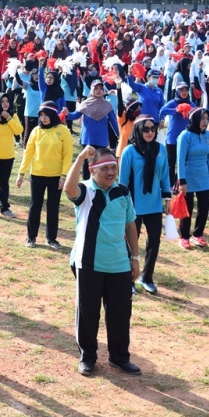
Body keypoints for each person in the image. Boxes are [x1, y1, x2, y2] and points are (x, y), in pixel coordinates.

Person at [64, 146, 141, 377]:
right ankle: (88, 357)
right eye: (104, 168)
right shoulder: (85, 191)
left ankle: (119, 357)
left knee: (120, 312)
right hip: (88, 263)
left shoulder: (123, 192)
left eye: (113, 168)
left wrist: (135, 258)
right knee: (88, 312)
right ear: (92, 170)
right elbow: (68, 188)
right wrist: (79, 157)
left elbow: (130, 225)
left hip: (119, 263)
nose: (110, 172)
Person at [118, 116, 171, 295]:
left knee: (154, 242)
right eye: (145, 129)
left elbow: (165, 176)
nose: (150, 132)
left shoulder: (161, 150)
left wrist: (167, 198)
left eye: (152, 129)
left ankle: (147, 277)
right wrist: (123, 204)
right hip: (133, 205)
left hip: (154, 205)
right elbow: (123, 181)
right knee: (131, 244)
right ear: (139, 130)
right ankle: (128, 279)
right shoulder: (129, 151)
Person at [17, 101, 73, 249]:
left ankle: (52, 238)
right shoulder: (36, 131)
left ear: (53, 115)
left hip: (56, 177)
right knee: (35, 206)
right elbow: (28, 152)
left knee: (53, 208)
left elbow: (68, 155)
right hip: (37, 175)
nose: (44, 118)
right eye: (41, 115)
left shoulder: (63, 131)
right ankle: (31, 237)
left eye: (47, 115)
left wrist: (63, 176)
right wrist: (21, 173)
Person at [177, 107, 209, 250]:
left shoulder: (208, 135)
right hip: (188, 175)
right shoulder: (185, 136)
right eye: (202, 118)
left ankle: (198, 234)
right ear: (195, 119)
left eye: (207, 118)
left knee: (204, 206)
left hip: (204, 175)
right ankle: (184, 236)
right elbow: (180, 159)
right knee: (188, 207)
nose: (205, 122)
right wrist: (182, 181)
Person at [64, 80, 118, 180]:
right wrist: (67, 114)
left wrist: (119, 134)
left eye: (101, 89)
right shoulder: (85, 103)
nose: (98, 91)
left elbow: (113, 121)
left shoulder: (107, 105)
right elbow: (75, 115)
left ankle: (98, 181)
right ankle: (86, 182)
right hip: (87, 138)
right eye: (96, 88)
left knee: (99, 162)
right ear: (91, 90)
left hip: (101, 138)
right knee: (86, 162)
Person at [159, 83, 195, 188]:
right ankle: (169, 185)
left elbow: (196, 113)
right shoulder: (173, 102)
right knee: (171, 163)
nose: (184, 92)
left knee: (184, 163)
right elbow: (162, 110)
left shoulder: (191, 103)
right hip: (172, 138)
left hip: (186, 139)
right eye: (181, 90)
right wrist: (176, 110)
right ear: (178, 92)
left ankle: (180, 183)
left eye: (186, 90)